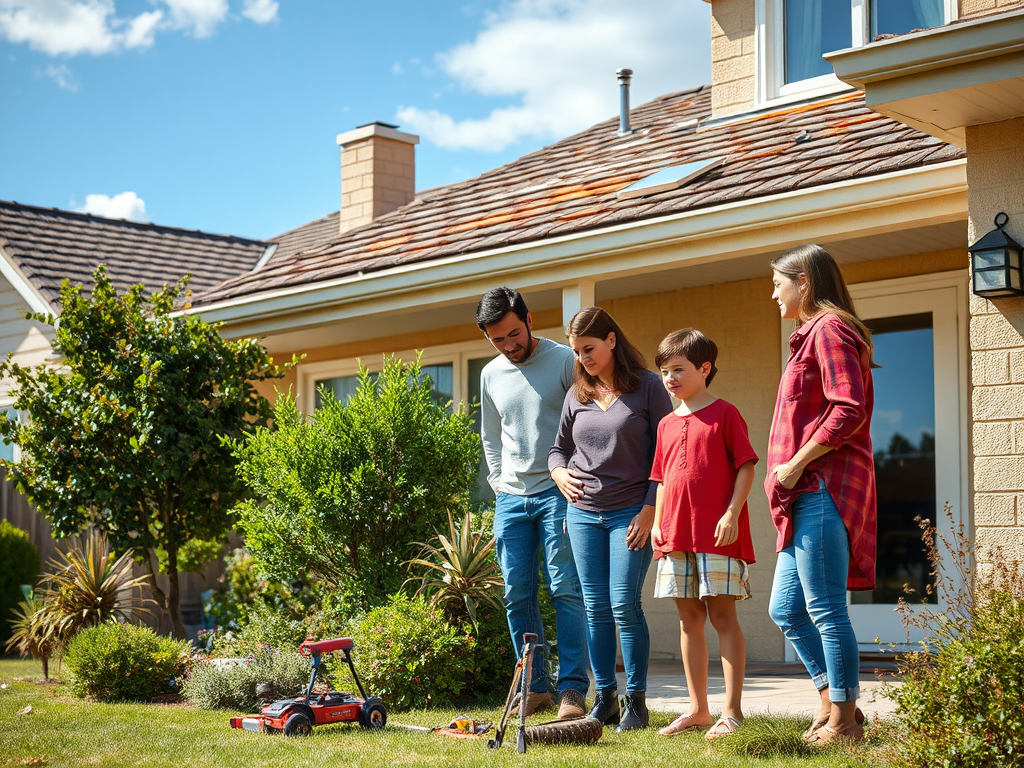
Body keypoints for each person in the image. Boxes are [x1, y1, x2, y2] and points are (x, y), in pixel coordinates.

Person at [765, 244, 876, 744]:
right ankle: (833, 702)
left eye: (778, 283)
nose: (774, 294)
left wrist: (795, 464)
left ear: (804, 281)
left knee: (827, 608)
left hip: (820, 488)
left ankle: (845, 722)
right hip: (802, 494)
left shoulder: (829, 329)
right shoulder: (804, 337)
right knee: (786, 610)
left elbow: (847, 407)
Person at [549, 307, 673, 731]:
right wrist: (558, 473)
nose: (582, 358)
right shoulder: (576, 395)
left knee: (623, 604)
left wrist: (650, 508)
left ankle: (636, 702)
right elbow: (558, 449)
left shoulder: (648, 387)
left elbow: (666, 452)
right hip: (582, 513)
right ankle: (605, 699)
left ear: (611, 340)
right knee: (595, 608)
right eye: (576, 351)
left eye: (588, 348)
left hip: (629, 513)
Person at [477, 286, 590, 720]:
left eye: (512, 334)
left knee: (565, 589)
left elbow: (584, 423)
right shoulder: (491, 374)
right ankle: (535, 688)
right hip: (511, 498)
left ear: (528, 319)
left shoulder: (564, 360)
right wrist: (497, 482)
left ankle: (573, 691)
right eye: (497, 340)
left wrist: (575, 476)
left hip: (559, 494)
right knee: (516, 594)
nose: (508, 346)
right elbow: (491, 435)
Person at [650, 329, 758, 740]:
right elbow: (661, 480)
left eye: (678, 369)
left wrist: (732, 512)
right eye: (664, 372)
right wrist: (659, 522)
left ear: (705, 368)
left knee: (723, 617)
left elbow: (746, 466)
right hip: (675, 535)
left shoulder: (726, 413)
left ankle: (731, 712)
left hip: (718, 535)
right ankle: (697, 710)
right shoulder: (663, 424)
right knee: (688, 619)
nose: (670, 378)